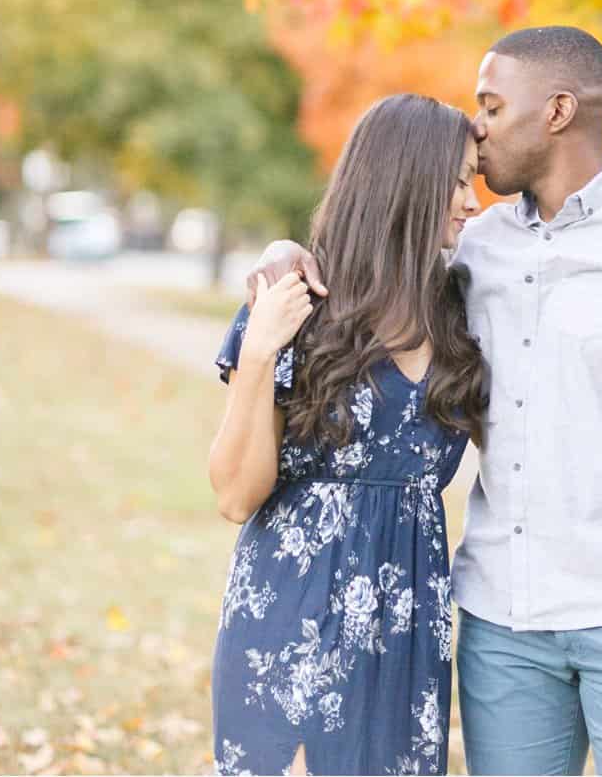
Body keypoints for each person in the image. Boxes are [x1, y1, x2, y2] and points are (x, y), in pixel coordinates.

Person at [245, 27, 602, 777]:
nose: (477, 124)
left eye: (493, 106)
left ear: (559, 110)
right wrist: (282, 254)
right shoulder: (473, 245)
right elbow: (373, 255)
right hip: (503, 626)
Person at [208, 94, 486, 777]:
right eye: (457, 181)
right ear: (405, 180)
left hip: (408, 629)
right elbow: (236, 495)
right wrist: (259, 353)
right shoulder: (299, 302)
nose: (471, 201)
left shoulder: (461, 310)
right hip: (294, 619)